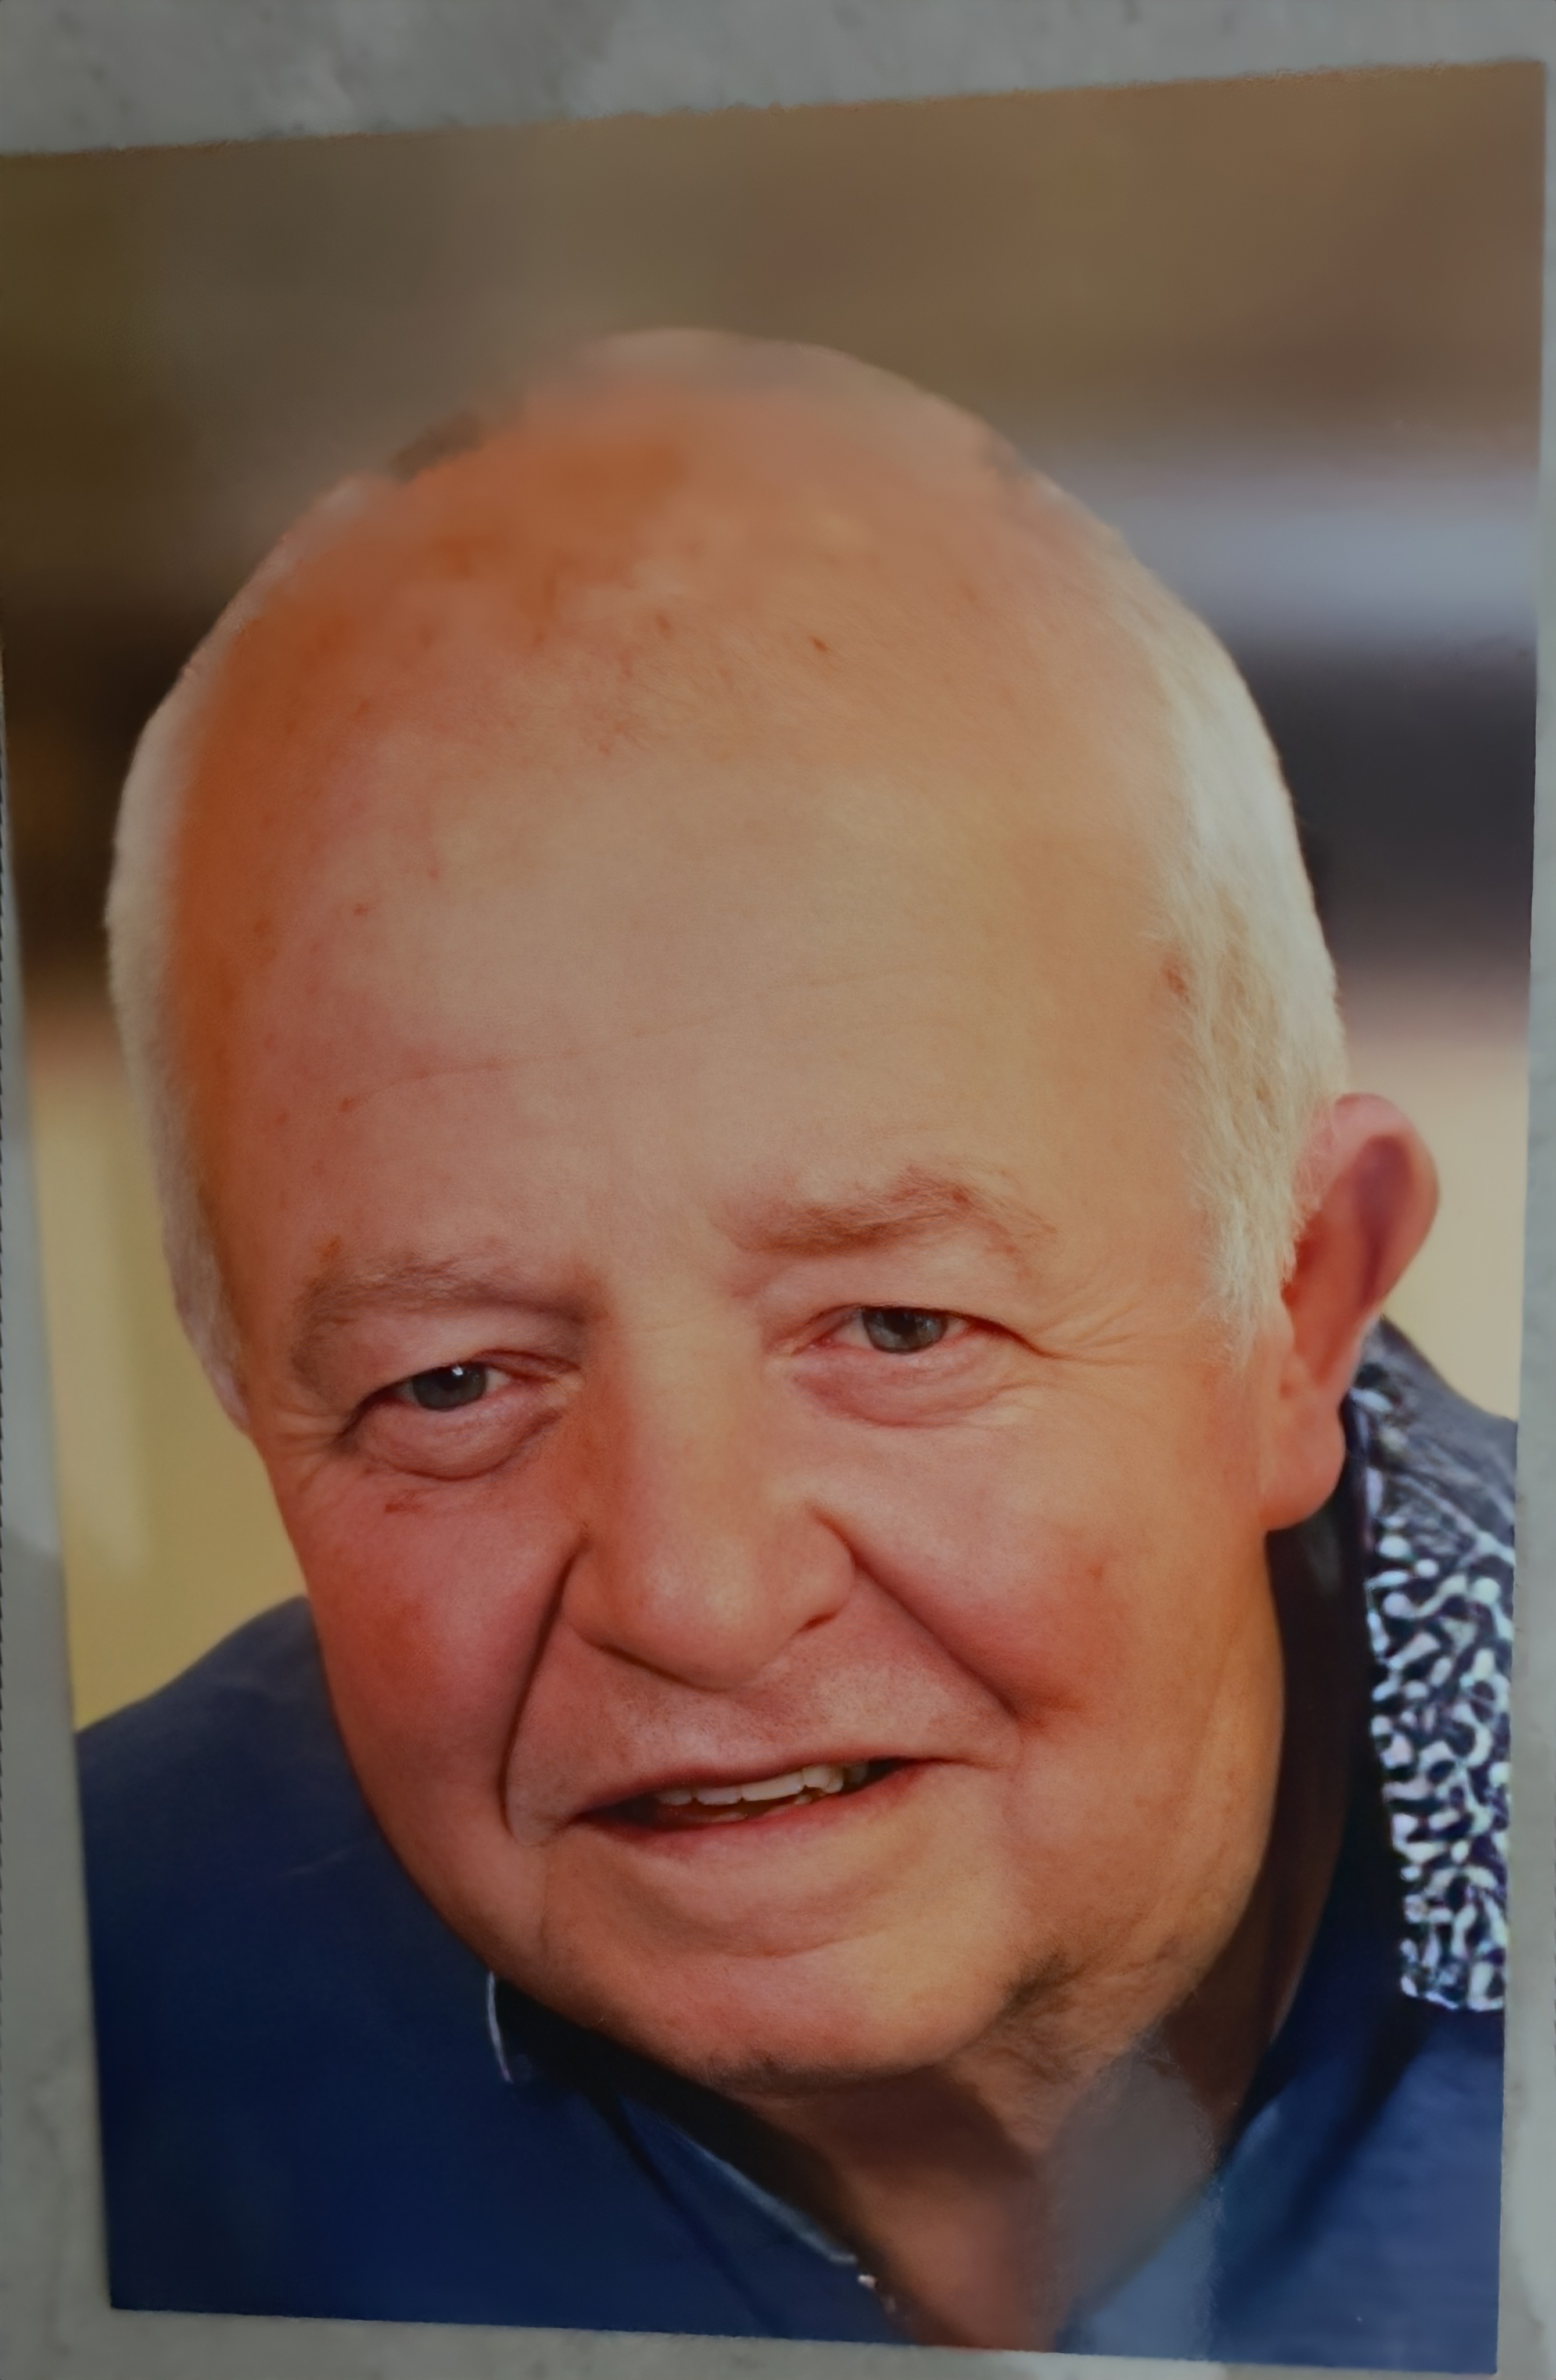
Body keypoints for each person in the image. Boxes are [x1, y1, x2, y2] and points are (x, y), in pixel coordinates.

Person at [79, 332, 1512, 2367]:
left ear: (1298, 1310)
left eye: (900, 1327)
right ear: (250, 1399)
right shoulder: (88, 1989)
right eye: (455, 1382)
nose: (695, 1597)